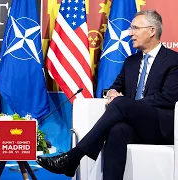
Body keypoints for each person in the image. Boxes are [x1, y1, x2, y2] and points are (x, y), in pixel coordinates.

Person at [37, 10, 178, 180]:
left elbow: (168, 98)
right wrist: (112, 93)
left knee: (121, 103)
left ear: (152, 31)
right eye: (130, 28)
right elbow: (114, 87)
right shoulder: (130, 62)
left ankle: (73, 157)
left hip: (162, 126)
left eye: (135, 28)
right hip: (135, 125)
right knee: (117, 131)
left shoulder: (172, 60)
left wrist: (128, 104)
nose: (130, 33)